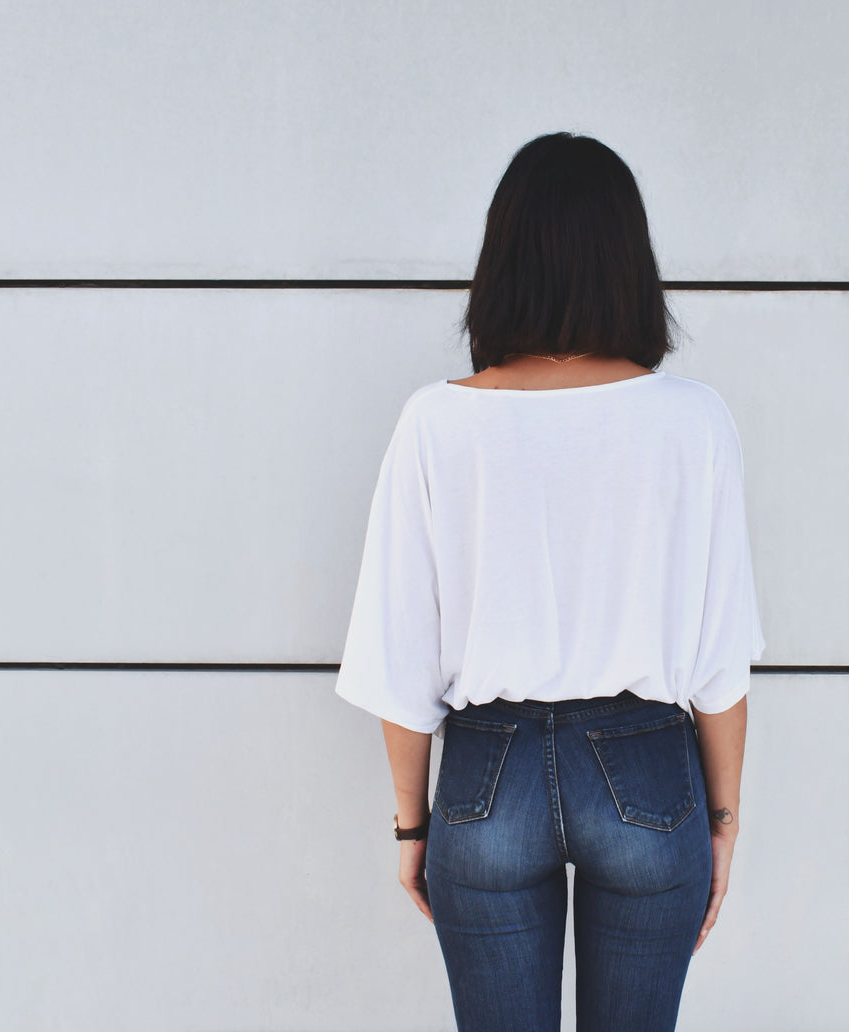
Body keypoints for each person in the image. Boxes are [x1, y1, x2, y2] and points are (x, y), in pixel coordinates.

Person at [334, 131, 766, 1032]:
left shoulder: (435, 422)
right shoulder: (692, 422)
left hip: (488, 776)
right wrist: (720, 821)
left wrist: (413, 828)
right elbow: (722, 655)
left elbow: (398, 653)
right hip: (648, 772)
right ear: (627, 264)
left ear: (503, 262)